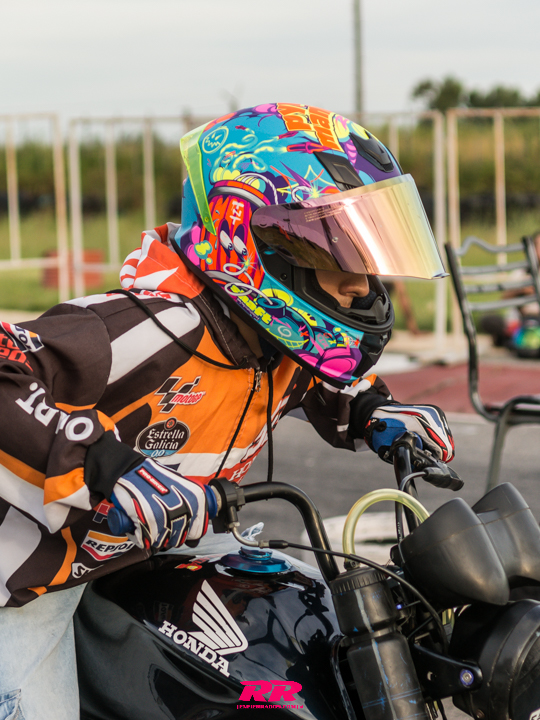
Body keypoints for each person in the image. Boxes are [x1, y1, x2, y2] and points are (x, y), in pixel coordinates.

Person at [0, 104, 455, 719]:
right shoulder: (147, 329)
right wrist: (107, 465)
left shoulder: (278, 341)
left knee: (293, 625)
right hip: (27, 577)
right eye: (340, 253)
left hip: (147, 552)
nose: (363, 285)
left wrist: (374, 410)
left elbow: (315, 381)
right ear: (252, 238)